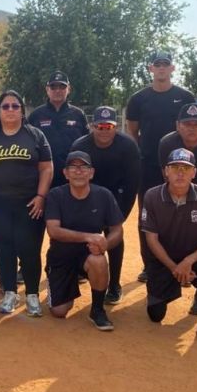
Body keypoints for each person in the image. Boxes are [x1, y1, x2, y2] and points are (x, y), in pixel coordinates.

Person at [0, 90, 53, 316]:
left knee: (29, 247)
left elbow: (46, 167)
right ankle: (10, 293)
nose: (11, 110)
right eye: (5, 106)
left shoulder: (34, 135)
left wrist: (41, 196)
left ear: (23, 111)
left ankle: (32, 294)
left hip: (30, 202)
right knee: (3, 246)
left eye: (16, 106)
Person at [126, 51, 196, 282]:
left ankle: (181, 263)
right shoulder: (138, 99)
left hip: (180, 166)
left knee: (182, 214)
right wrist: (138, 158)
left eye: (166, 64)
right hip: (148, 166)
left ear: (173, 68)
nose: (162, 68)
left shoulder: (185, 96)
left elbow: (193, 129)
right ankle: (150, 265)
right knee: (147, 216)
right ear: (150, 68)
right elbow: (132, 132)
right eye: (158, 65)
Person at [140, 148, 197, 345]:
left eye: (186, 168)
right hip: (163, 261)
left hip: (192, 259)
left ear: (194, 172)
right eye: (175, 167)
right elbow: (151, 239)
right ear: (165, 171)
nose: (180, 173)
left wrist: (188, 261)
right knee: (155, 315)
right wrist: (173, 268)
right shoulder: (152, 196)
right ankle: (171, 285)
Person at [45, 152, 124, 330]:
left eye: (84, 167)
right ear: (65, 173)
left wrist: (106, 243)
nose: (78, 171)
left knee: (99, 260)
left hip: (88, 255)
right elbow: (53, 231)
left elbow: (117, 230)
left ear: (91, 172)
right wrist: (89, 236)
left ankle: (97, 310)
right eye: (73, 167)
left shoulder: (104, 195)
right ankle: (65, 284)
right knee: (59, 311)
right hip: (61, 257)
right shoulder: (56, 195)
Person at [70, 106, 140, 304]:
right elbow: (74, 178)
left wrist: (120, 216)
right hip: (88, 195)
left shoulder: (128, 145)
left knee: (114, 234)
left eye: (108, 126)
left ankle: (115, 284)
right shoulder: (80, 146)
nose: (104, 130)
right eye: (100, 126)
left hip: (117, 197)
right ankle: (79, 271)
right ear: (92, 126)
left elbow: (132, 182)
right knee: (81, 233)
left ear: (115, 127)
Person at [27, 70, 88, 188]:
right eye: (53, 87)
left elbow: (87, 144)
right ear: (47, 89)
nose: (58, 90)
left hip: (72, 177)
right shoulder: (36, 115)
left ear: (68, 89)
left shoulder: (78, 115)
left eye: (62, 87)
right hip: (43, 177)